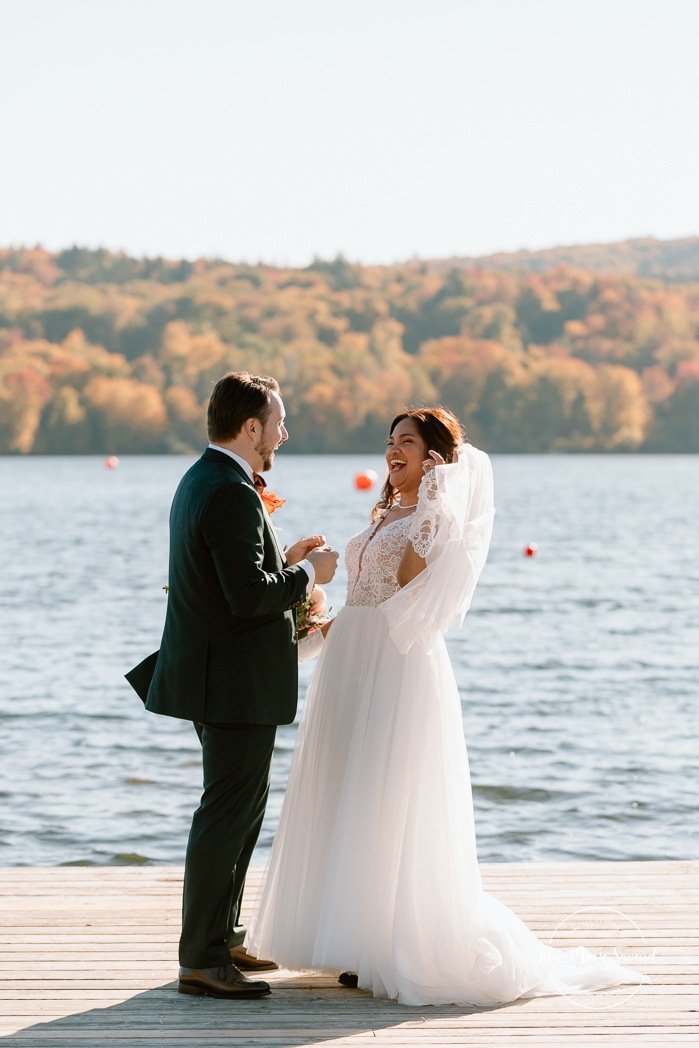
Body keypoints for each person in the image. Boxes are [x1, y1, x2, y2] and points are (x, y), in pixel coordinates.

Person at [246, 407, 645, 1006]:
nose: (393, 451)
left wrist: (433, 501)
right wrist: (310, 633)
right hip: (350, 662)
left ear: (435, 457)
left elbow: (408, 586)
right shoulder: (382, 511)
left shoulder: (435, 520)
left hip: (396, 664)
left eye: (407, 442)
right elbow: (361, 593)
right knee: (346, 789)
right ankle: (348, 938)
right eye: (390, 442)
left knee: (386, 793)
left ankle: (385, 940)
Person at [125, 371, 338, 1000]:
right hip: (232, 683)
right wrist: (306, 573)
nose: (283, 432)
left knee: (241, 813)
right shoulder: (227, 490)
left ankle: (224, 936)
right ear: (252, 428)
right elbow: (246, 598)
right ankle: (201, 958)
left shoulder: (206, 479)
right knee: (226, 815)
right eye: (277, 422)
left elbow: (232, 576)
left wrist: (282, 559)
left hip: (224, 676)